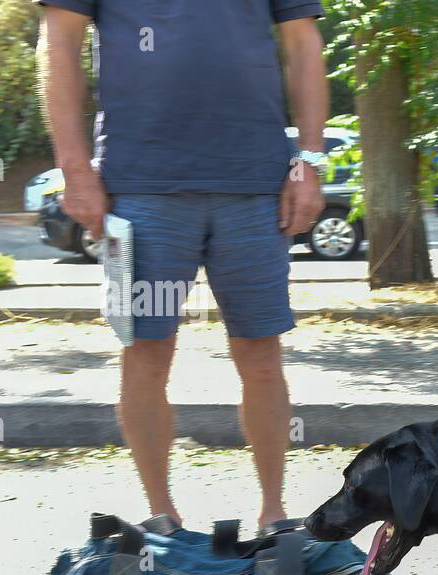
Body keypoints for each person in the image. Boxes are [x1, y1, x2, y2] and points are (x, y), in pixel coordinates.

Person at [38, 0, 329, 531]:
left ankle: (273, 518)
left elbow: (303, 44)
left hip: (255, 187)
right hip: (141, 188)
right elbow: (59, 44)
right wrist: (75, 169)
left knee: (262, 355)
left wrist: (309, 160)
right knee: (146, 353)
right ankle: (162, 520)